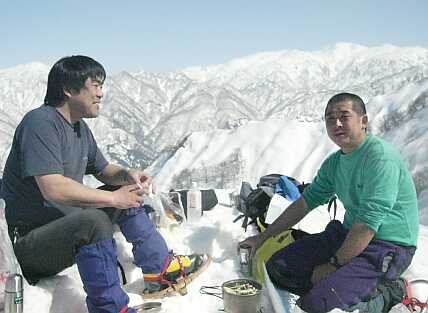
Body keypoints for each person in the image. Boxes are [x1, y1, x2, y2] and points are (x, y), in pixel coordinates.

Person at [1, 56, 205, 313]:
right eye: (95, 86)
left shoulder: (79, 128)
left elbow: (104, 171)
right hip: (29, 245)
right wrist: (112, 199)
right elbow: (52, 187)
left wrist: (128, 175)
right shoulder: (40, 123)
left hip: (60, 228)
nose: (101, 93)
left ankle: (160, 270)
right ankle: (110, 308)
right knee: (95, 220)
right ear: (69, 89)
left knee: (125, 194)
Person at [240, 93, 419, 313]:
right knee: (279, 269)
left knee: (321, 305)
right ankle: (340, 287)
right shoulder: (336, 162)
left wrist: (333, 265)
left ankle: (390, 290)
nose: (337, 124)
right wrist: (261, 237)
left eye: (344, 116)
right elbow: (306, 202)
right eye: (330, 119)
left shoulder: (380, 159)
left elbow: (368, 224)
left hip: (388, 245)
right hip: (348, 234)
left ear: (364, 121)